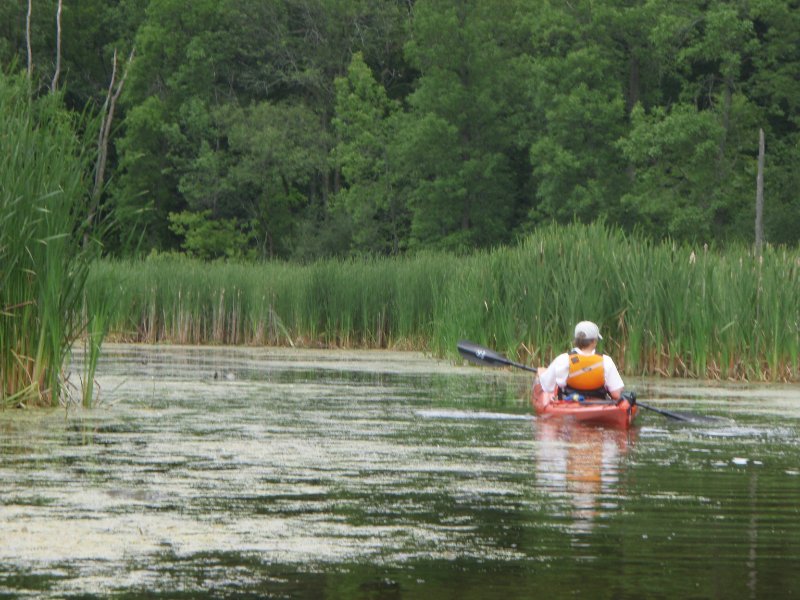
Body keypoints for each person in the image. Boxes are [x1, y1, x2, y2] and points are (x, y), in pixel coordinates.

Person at [537, 321, 625, 401]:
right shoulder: (606, 361)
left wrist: (541, 374)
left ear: (575, 340)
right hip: (598, 405)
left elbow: (547, 388)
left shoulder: (563, 359)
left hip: (568, 404)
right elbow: (616, 394)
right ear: (594, 341)